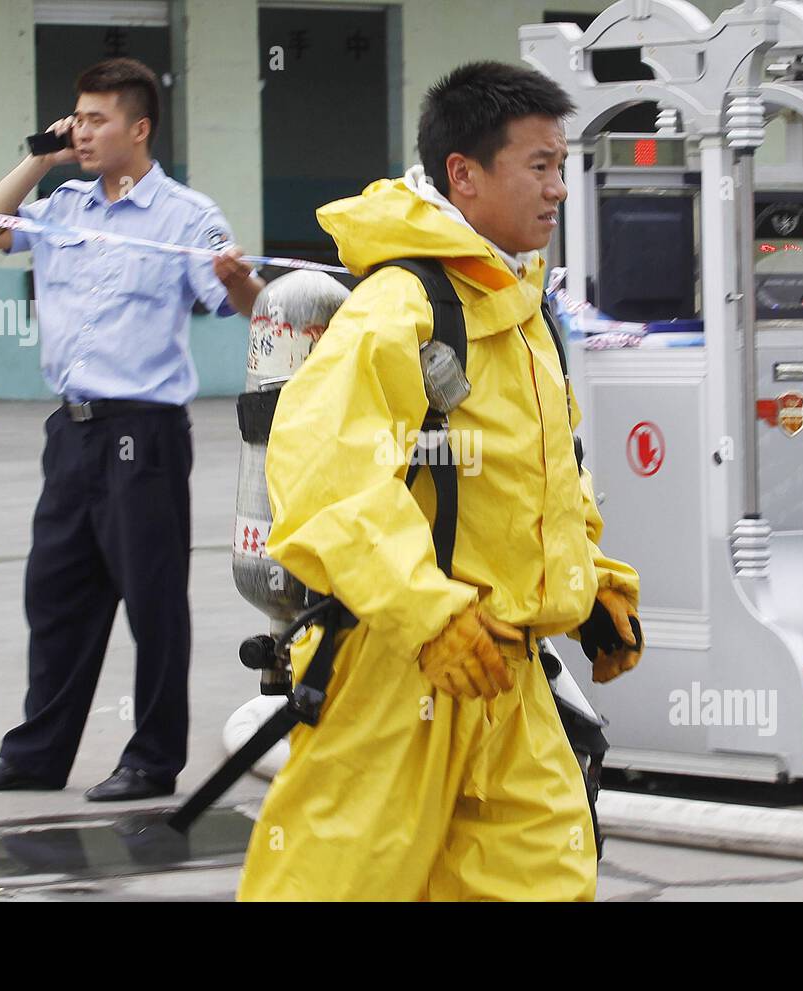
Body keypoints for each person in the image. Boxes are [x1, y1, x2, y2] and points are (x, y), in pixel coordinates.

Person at [237, 60, 642, 901]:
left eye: (561, 166)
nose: (559, 189)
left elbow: (541, 474)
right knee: (338, 883)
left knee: (543, 881)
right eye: (539, 165)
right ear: (465, 172)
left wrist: (590, 580)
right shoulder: (403, 306)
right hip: (397, 674)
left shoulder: (523, 311)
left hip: (508, 675)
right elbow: (326, 471)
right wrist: (428, 612)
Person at [0, 57, 264, 801]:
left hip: (143, 433)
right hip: (72, 430)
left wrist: (237, 278)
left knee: (152, 601)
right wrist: (39, 157)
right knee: (55, 594)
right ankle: (36, 753)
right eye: (77, 118)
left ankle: (152, 760)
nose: (81, 132)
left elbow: (252, 308)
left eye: (96, 120)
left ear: (140, 127)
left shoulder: (186, 217)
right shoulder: (63, 206)